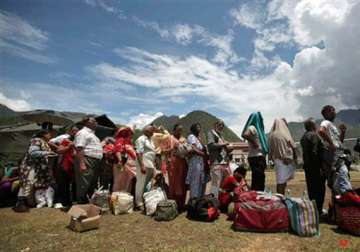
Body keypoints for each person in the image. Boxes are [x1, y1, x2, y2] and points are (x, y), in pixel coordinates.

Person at [13, 130, 57, 212]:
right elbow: (32, 152)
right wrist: (47, 153)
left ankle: (30, 203)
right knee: (27, 183)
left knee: (33, 184)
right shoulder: (36, 140)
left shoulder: (44, 142)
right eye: (49, 134)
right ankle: (21, 204)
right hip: (30, 166)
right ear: (44, 134)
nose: (51, 135)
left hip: (37, 168)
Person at [74, 117, 103, 204]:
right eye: (94, 121)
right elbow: (79, 148)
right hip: (87, 160)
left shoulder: (93, 135)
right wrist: (82, 164)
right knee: (84, 183)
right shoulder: (82, 133)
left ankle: (90, 204)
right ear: (87, 122)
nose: (96, 122)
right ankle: (82, 204)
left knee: (92, 183)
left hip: (95, 161)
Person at [49, 125, 79, 209]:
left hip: (76, 166)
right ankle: (65, 202)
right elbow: (59, 150)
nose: (75, 132)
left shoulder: (81, 141)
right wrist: (69, 147)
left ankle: (75, 200)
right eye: (73, 131)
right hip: (65, 165)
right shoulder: (66, 140)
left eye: (76, 131)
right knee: (64, 184)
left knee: (75, 185)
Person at [300, 118, 326, 214]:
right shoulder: (314, 135)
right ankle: (318, 210)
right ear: (312, 126)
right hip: (315, 167)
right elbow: (314, 152)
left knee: (311, 188)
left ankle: (314, 208)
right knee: (319, 188)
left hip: (308, 167)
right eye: (315, 124)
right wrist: (319, 167)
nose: (316, 126)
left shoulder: (303, 137)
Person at [318, 105, 347, 188]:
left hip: (338, 154)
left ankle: (338, 198)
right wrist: (331, 144)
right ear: (326, 113)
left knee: (338, 180)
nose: (334, 112)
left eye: (334, 110)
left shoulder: (332, 125)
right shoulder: (325, 122)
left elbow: (339, 142)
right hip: (334, 156)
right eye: (331, 110)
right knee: (340, 176)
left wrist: (343, 132)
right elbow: (321, 131)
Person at [268, 118, 297, 195]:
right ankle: (280, 198)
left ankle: (280, 197)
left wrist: (270, 159)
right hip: (285, 160)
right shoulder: (284, 134)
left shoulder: (271, 135)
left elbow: (270, 150)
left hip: (277, 160)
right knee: (281, 182)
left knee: (281, 181)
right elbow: (293, 146)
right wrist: (295, 157)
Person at [242, 112, 269, 191]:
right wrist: (255, 143)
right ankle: (258, 195)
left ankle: (255, 195)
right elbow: (245, 134)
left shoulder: (257, 129)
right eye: (260, 118)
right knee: (259, 179)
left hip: (256, 156)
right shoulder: (252, 127)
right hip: (256, 157)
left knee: (257, 179)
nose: (261, 120)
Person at [166, 124, 189, 211]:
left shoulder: (184, 139)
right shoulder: (169, 138)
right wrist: (173, 148)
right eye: (178, 130)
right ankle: (173, 203)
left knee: (182, 182)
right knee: (174, 182)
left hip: (183, 163)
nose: (180, 132)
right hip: (173, 163)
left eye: (181, 130)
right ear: (174, 130)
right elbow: (163, 150)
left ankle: (181, 203)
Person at [207, 120, 233, 198]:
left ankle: (221, 202)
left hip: (224, 162)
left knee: (224, 184)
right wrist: (225, 144)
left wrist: (229, 148)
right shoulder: (210, 133)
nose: (221, 126)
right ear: (215, 125)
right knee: (216, 184)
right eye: (219, 124)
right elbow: (211, 145)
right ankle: (214, 202)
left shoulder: (221, 136)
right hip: (216, 162)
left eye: (222, 125)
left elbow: (223, 147)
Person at [134, 125, 156, 210]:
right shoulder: (141, 139)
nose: (153, 132)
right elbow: (139, 153)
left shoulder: (150, 140)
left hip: (150, 164)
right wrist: (142, 165)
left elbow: (152, 153)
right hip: (144, 164)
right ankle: (139, 203)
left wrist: (154, 165)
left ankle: (145, 200)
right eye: (151, 130)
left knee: (147, 184)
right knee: (141, 183)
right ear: (146, 131)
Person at [186, 123, 209, 199]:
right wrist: (202, 153)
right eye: (197, 127)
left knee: (200, 181)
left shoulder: (198, 138)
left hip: (200, 161)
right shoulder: (192, 136)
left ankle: (198, 200)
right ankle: (193, 200)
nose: (199, 128)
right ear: (193, 129)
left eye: (199, 126)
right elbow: (193, 148)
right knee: (195, 181)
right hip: (195, 161)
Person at [112, 127, 137, 193]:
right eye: (128, 132)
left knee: (127, 181)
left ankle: (124, 197)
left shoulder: (129, 142)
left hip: (128, 165)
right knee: (119, 180)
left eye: (130, 133)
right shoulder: (120, 140)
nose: (130, 134)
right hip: (121, 163)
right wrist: (120, 161)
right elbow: (117, 150)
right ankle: (116, 196)